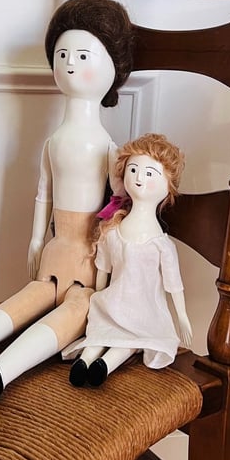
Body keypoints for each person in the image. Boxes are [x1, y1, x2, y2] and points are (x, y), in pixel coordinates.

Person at [0, 0, 135, 402]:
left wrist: (109, 268)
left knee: (75, 310)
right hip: (55, 251)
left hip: (89, 260)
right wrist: (37, 239)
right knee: (29, 296)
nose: (70, 63)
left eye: (82, 55)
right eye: (62, 55)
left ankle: (2, 370)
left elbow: (117, 206)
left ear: (114, 69)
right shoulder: (53, 141)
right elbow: (44, 193)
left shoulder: (108, 148)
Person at [63, 133, 193, 387]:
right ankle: (86, 361)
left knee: (126, 342)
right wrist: (95, 298)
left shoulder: (161, 245)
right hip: (118, 304)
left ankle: (102, 365)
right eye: (133, 170)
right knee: (109, 334)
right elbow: (103, 269)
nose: (139, 178)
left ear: (168, 186)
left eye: (149, 173)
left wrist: (182, 316)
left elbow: (174, 285)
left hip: (141, 310)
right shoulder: (113, 231)